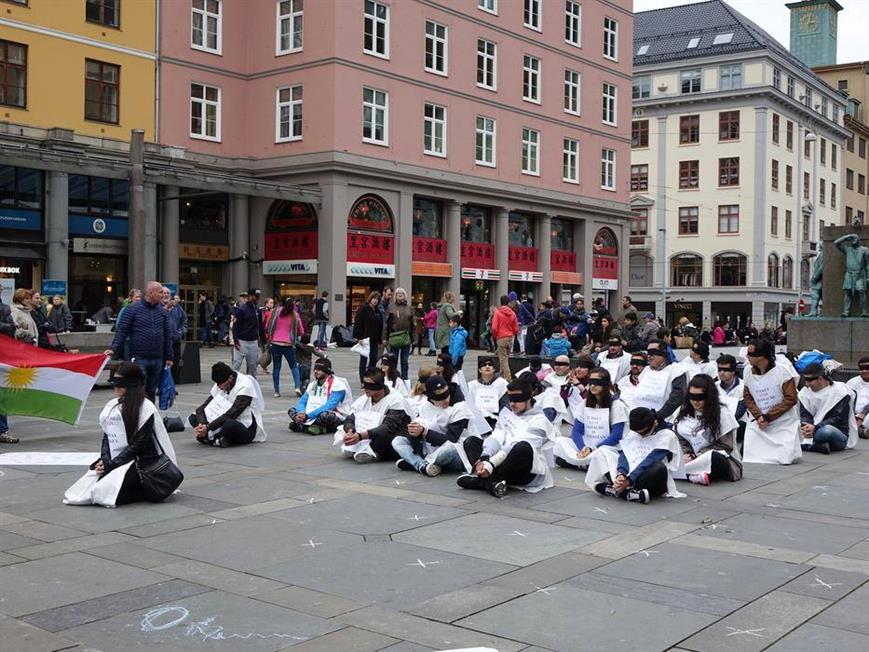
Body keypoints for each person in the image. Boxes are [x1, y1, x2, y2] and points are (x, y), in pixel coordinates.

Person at [63, 363, 180, 507]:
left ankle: (143, 489)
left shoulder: (146, 408)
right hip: (118, 460)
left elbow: (138, 444)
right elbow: (107, 437)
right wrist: (105, 460)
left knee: (104, 494)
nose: (116, 387)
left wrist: (112, 465)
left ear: (132, 385)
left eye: (121, 384)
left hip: (141, 463)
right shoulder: (112, 406)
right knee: (84, 491)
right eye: (115, 382)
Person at [456, 378, 557, 497]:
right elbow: (497, 436)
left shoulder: (540, 420)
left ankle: (482, 481)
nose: (513, 404)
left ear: (529, 399)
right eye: (511, 399)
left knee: (522, 447)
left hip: (525, 470)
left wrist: (491, 463)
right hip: (498, 463)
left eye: (518, 400)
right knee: (470, 441)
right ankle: (491, 482)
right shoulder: (507, 413)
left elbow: (518, 444)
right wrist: (485, 456)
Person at [586, 407, 683, 504]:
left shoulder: (667, 435)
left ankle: (617, 490)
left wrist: (630, 480)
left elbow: (651, 459)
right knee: (603, 452)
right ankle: (625, 491)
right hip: (629, 472)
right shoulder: (634, 433)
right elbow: (625, 454)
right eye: (638, 433)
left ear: (655, 423)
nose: (641, 436)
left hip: (649, 476)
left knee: (658, 467)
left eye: (644, 432)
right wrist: (621, 474)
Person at [392, 375, 473, 476]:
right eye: (440, 399)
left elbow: (452, 440)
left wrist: (424, 432)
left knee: (449, 449)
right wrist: (413, 432)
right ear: (431, 398)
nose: (446, 400)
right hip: (428, 450)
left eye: (447, 396)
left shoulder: (460, 407)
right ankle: (422, 465)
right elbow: (417, 433)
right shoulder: (424, 406)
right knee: (398, 441)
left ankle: (415, 462)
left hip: (457, 452)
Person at [105, 281, 173, 401]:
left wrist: (169, 356)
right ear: (151, 293)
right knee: (138, 389)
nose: (163, 295)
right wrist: (113, 348)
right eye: (160, 292)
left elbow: (167, 335)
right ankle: (135, 411)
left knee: (151, 391)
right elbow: (122, 331)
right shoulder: (132, 309)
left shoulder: (162, 312)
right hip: (139, 358)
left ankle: (149, 411)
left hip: (157, 358)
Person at [673, 375, 742, 485]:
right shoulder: (682, 411)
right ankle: (692, 474)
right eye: (692, 397)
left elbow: (725, 446)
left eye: (700, 398)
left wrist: (697, 456)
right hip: (688, 458)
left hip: (716, 457)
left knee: (714, 458)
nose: (695, 402)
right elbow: (679, 437)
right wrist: (687, 453)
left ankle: (689, 474)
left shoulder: (722, 413)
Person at [555, 367, 628, 471]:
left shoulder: (617, 406)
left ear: (605, 384)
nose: (593, 386)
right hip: (586, 446)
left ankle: (581, 463)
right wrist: (583, 448)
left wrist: (593, 448)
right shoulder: (584, 403)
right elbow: (577, 430)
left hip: (606, 447)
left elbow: (616, 435)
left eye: (597, 383)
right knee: (559, 441)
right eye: (591, 382)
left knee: (602, 454)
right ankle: (586, 463)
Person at [742, 338, 801, 465]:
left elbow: (791, 398)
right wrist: (759, 416)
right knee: (751, 455)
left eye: (750, 354)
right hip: (759, 420)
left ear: (761, 356)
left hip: (782, 421)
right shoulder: (747, 371)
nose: (747, 357)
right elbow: (747, 396)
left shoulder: (782, 371)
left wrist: (769, 416)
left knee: (785, 457)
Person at [339, 368, 412, 463]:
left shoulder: (396, 400)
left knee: (387, 438)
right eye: (364, 385)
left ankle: (374, 453)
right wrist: (350, 431)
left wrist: (360, 436)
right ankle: (360, 448)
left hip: (394, 434)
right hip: (366, 433)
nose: (365, 389)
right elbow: (350, 418)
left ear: (379, 385)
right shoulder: (363, 400)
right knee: (341, 430)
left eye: (369, 386)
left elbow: (389, 427)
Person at [189, 362, 267, 447]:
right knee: (193, 417)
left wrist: (208, 427)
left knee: (229, 425)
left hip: (243, 425)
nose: (219, 387)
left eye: (221, 384)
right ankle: (215, 438)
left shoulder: (245, 386)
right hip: (218, 420)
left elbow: (232, 414)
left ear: (230, 378)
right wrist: (202, 424)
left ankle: (212, 438)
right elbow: (202, 408)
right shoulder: (221, 382)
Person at [797, 363, 858, 454]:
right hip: (811, 431)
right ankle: (817, 446)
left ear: (820, 379)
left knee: (826, 431)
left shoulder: (841, 391)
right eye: (805, 380)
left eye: (810, 380)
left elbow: (837, 419)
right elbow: (804, 414)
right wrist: (806, 427)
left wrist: (815, 428)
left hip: (836, 433)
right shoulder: (805, 392)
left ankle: (809, 446)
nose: (807, 384)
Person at [289, 358, 352, 435]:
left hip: (334, 414)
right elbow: (302, 401)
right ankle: (307, 425)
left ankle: (303, 426)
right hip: (309, 415)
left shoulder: (338, 384)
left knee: (325, 415)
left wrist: (308, 416)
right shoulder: (312, 384)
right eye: (315, 369)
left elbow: (329, 406)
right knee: (292, 410)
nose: (316, 371)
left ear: (327, 371)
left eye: (319, 369)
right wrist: (301, 413)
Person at [629, 340, 687, 421]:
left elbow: (676, 399)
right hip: (641, 418)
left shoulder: (676, 371)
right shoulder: (646, 370)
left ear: (663, 354)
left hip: (665, 419)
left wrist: (656, 416)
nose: (649, 356)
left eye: (653, 353)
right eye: (648, 353)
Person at [266, 297, 304, 398]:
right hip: (288, 344)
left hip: (275, 342)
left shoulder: (276, 312)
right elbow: (301, 331)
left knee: (276, 367)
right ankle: (297, 387)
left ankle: (276, 391)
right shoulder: (295, 315)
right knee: (293, 366)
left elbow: (268, 325)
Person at [468, 356, 509, 430]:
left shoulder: (502, 384)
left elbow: (505, 405)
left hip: (496, 419)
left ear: (494, 369)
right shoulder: (472, 385)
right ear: (480, 370)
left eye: (490, 364)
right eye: (484, 365)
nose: (487, 366)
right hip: (477, 419)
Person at [834, 233, 869, 317]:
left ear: (859, 240)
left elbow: (868, 264)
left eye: (855, 238)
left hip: (860, 274)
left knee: (861, 292)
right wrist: (846, 237)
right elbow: (836, 243)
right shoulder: (847, 249)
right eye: (852, 238)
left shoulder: (864, 250)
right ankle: (846, 311)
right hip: (849, 274)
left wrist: (868, 276)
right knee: (848, 292)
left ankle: (864, 311)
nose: (853, 239)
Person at [352, 291, 384, 383]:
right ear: (370, 298)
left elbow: (380, 325)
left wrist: (380, 339)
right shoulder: (363, 309)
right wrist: (359, 337)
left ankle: (371, 377)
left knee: (373, 359)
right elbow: (358, 323)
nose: (375, 301)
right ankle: (362, 379)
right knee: (364, 360)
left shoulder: (377, 311)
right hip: (365, 339)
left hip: (374, 339)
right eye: (374, 298)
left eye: (377, 299)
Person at [382, 287, 414, 379]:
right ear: (395, 296)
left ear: (405, 296)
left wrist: (414, 339)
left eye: (402, 293)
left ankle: (405, 379)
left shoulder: (409, 308)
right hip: (394, 336)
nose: (400, 294)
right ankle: (393, 379)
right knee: (393, 360)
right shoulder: (390, 307)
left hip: (406, 337)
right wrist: (384, 338)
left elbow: (413, 325)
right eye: (398, 293)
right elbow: (386, 323)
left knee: (405, 361)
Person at [231, 288, 262, 376]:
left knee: (253, 366)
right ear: (250, 296)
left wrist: (263, 342)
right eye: (256, 296)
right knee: (236, 365)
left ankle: (251, 382)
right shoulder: (241, 309)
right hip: (241, 341)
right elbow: (235, 326)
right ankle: (234, 382)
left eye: (258, 296)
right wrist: (236, 341)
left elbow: (261, 327)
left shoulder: (258, 310)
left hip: (253, 342)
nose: (257, 298)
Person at [492, 294, 519, 381]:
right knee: (505, 358)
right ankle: (502, 376)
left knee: (503, 359)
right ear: (508, 302)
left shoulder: (497, 312)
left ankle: (508, 378)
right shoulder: (512, 313)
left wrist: (496, 336)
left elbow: (494, 327)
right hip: (510, 337)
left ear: (500, 302)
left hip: (501, 337)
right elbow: (516, 328)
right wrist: (512, 333)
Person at [167, 294, 188, 385]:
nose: (173, 301)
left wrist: (180, 332)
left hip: (176, 340)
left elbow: (184, 322)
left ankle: (172, 383)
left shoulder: (179, 310)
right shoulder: (162, 309)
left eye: (175, 299)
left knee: (175, 362)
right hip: (165, 341)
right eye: (172, 299)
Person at [846, 356, 869, 439]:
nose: (864, 371)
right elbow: (846, 401)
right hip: (852, 416)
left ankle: (856, 430)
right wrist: (853, 417)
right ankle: (861, 431)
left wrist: (862, 416)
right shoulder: (852, 382)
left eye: (867, 368)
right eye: (862, 369)